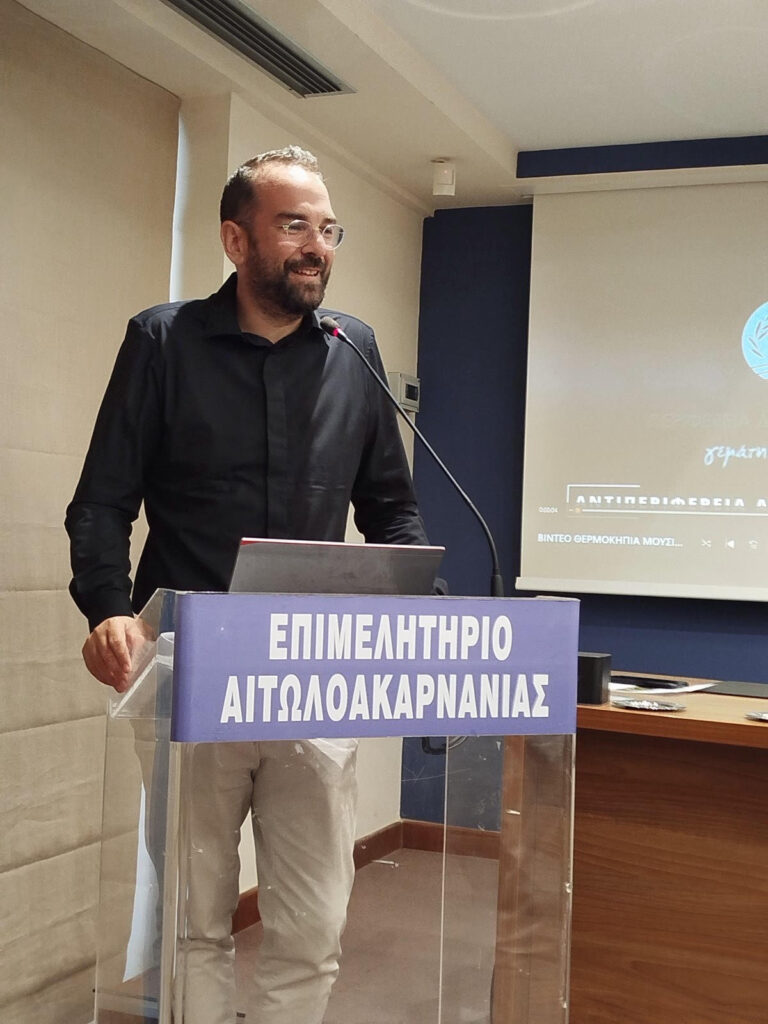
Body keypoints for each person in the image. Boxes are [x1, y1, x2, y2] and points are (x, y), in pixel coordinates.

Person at [66, 146, 428, 1024]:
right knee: (195, 918)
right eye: (293, 225)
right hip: (188, 671)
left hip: (315, 673)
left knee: (313, 921)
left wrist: (426, 608)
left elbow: (392, 511)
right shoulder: (163, 341)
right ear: (236, 240)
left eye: (328, 229)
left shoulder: (353, 350)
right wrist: (110, 608)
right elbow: (102, 502)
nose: (316, 246)